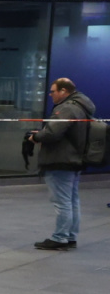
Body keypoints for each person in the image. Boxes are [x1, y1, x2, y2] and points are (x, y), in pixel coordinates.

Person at [30, 77, 95, 250]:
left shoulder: (66, 108)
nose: (50, 94)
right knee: (72, 200)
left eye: (53, 91)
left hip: (60, 160)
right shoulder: (82, 106)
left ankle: (60, 238)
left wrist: (36, 136)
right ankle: (70, 236)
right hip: (74, 160)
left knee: (62, 202)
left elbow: (52, 133)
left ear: (63, 91)